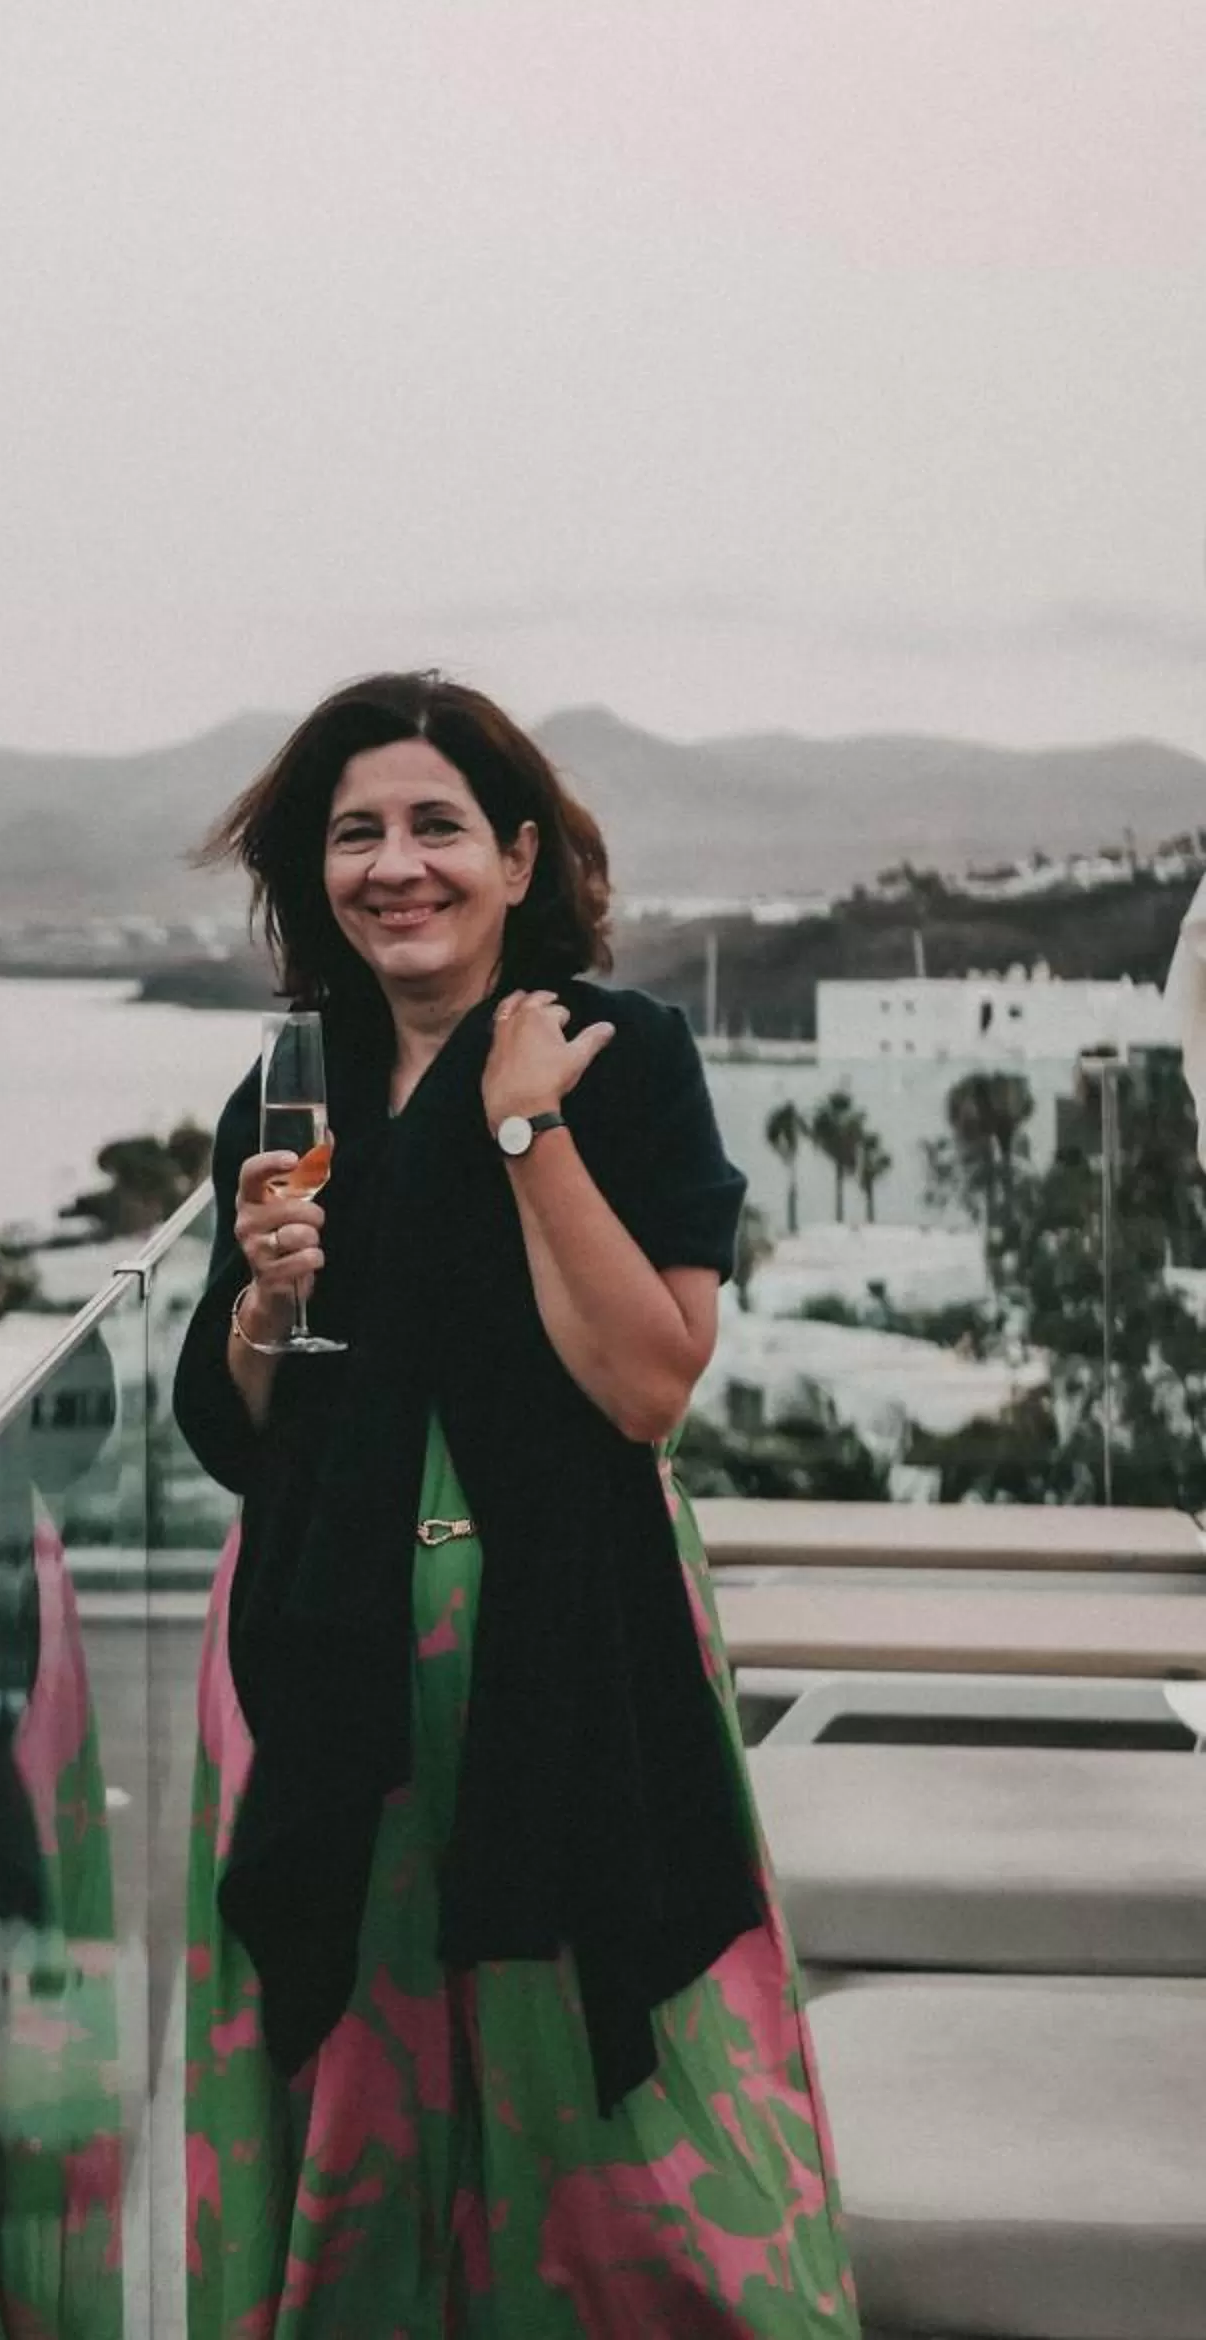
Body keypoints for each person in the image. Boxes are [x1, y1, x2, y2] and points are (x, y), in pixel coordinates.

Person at [173, 672, 858, 2337]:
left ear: (519, 854)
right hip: (320, 1656)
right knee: (365, 2075)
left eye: (436, 827)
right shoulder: (290, 1088)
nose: (396, 866)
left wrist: (525, 1124)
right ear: (310, 871)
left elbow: (646, 1385)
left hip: (564, 1646)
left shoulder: (627, 1060)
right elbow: (232, 1426)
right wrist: (264, 1301)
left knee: (607, 2089)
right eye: (355, 833)